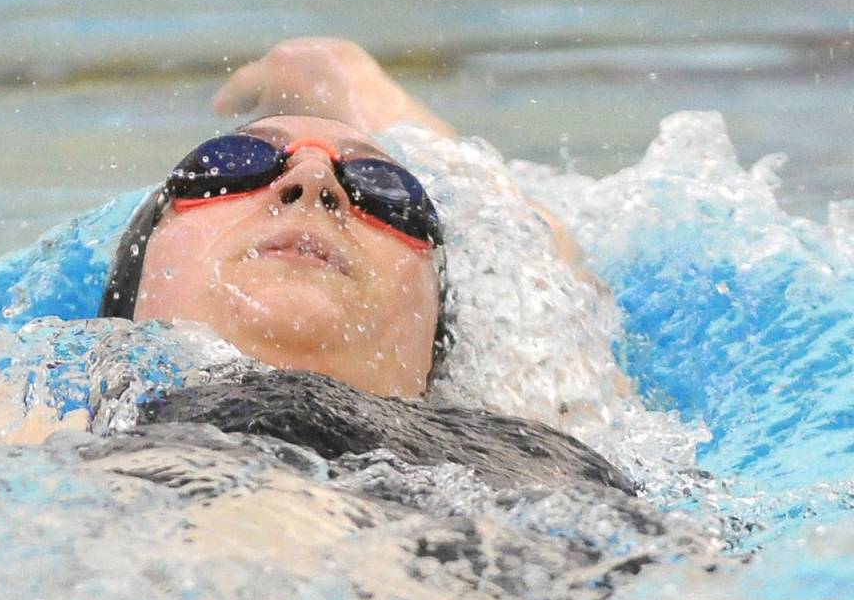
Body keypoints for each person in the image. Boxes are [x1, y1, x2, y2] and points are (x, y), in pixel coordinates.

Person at [101, 37, 582, 399]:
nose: (313, 182)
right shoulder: (47, 425)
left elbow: (541, 267)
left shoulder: (543, 445)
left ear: (435, 342)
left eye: (382, 188)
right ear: (129, 288)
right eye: (232, 162)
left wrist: (337, 76)